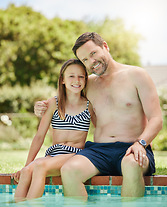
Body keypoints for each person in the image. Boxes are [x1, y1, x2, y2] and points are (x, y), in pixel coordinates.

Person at [35, 32, 163, 198]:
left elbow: (157, 119)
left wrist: (141, 143)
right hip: (99, 150)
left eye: (93, 53)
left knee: (131, 165)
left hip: (133, 147)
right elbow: (64, 101)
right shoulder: (89, 84)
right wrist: (41, 107)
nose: (91, 62)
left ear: (105, 46)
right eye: (85, 60)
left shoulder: (137, 75)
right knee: (69, 170)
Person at [12, 58, 95, 202]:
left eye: (81, 76)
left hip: (74, 154)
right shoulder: (53, 103)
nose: (77, 80)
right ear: (62, 80)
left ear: (86, 80)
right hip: (54, 153)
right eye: (71, 76)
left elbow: (101, 129)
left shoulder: (89, 105)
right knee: (26, 172)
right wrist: (27, 164)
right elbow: (39, 136)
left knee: (40, 166)